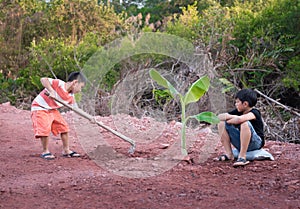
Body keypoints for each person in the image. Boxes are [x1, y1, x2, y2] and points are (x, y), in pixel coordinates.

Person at [31, 72, 86, 160]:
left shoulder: (71, 96)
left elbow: (76, 109)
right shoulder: (59, 84)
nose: (80, 90)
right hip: (40, 107)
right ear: (75, 83)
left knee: (64, 128)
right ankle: (45, 151)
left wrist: (91, 118)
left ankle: (66, 150)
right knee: (45, 128)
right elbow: (43, 79)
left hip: (52, 110)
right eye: (81, 87)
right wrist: (51, 91)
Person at [217, 88, 264, 167]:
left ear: (245, 104)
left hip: (256, 143)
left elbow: (239, 119)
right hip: (242, 142)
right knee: (221, 123)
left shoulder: (255, 112)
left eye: (237, 102)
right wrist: (230, 118)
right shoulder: (238, 112)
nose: (236, 104)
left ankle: (242, 157)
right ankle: (229, 154)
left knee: (244, 123)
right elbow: (219, 117)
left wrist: (230, 118)